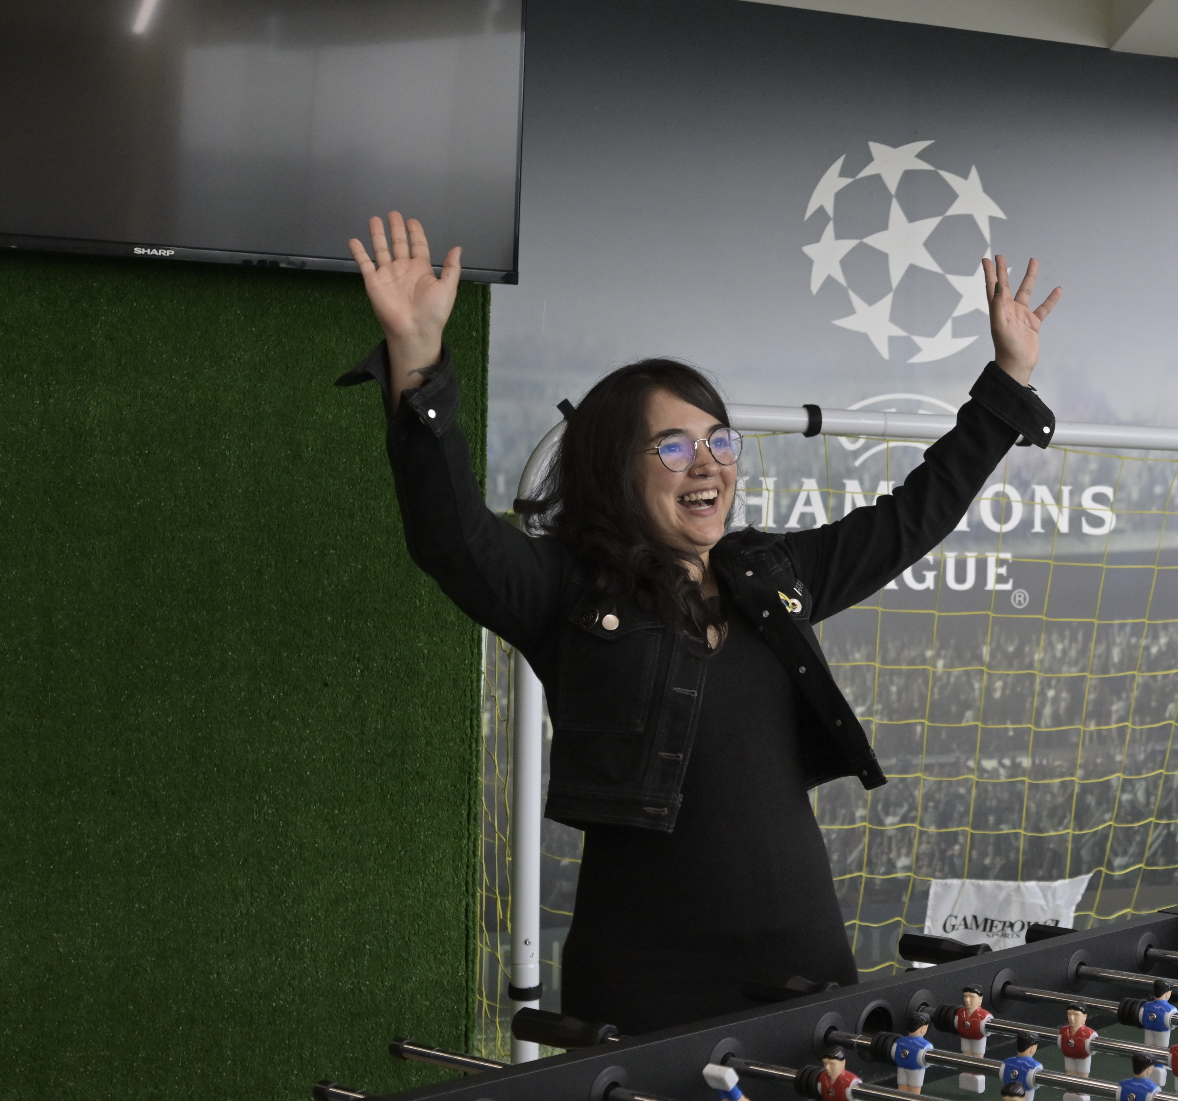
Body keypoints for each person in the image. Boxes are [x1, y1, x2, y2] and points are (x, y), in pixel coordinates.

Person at [343, 215, 1063, 1032]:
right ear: (618, 470)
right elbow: (452, 538)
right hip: (645, 979)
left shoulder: (774, 576)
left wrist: (1008, 378)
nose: (711, 464)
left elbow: (910, 518)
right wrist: (416, 361)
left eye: (719, 441)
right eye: (676, 448)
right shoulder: (562, 590)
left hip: (803, 963)